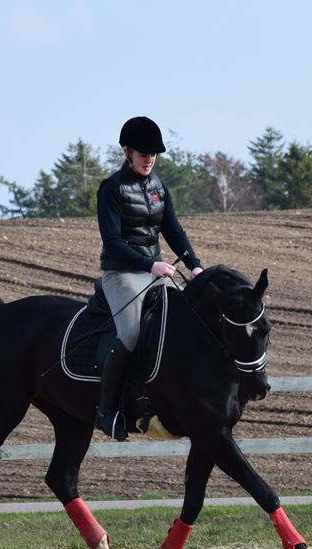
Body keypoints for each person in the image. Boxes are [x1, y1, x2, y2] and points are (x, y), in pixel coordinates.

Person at [95, 116, 204, 440]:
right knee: (130, 333)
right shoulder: (111, 189)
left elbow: (173, 230)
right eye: (143, 153)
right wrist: (149, 264)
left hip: (155, 271)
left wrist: (195, 265)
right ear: (127, 151)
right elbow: (112, 241)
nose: (149, 159)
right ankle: (107, 410)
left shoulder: (158, 187)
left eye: (153, 154)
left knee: (187, 321)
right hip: (121, 273)